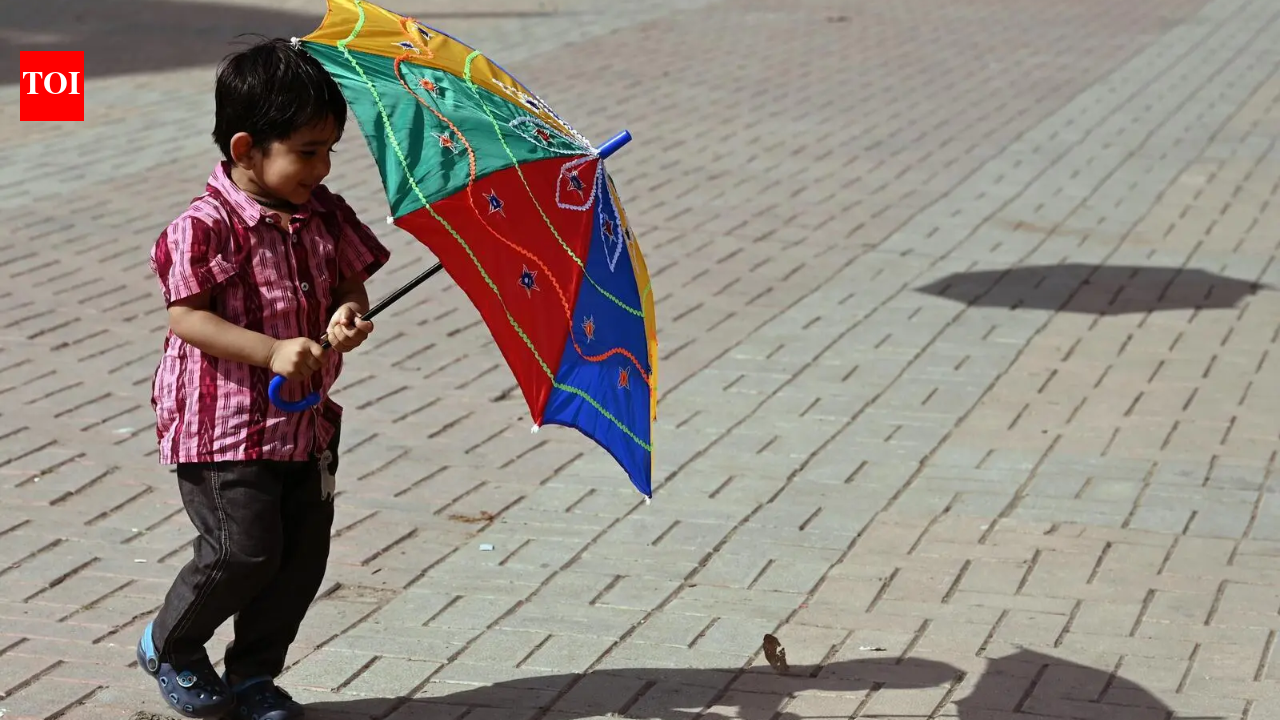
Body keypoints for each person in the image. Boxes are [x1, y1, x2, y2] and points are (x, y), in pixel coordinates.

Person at [135, 36, 391, 720]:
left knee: (299, 560)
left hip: (304, 424)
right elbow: (187, 317)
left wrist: (347, 318)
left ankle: (254, 676)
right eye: (308, 151)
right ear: (247, 148)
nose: (323, 165)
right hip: (223, 426)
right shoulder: (205, 226)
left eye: (331, 148)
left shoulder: (326, 212)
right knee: (243, 552)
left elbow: (351, 284)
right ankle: (172, 644)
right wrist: (272, 350)